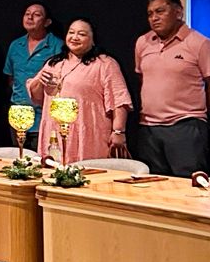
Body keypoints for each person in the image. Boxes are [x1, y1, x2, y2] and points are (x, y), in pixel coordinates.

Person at [133, 0, 210, 176]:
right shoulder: (143, 42)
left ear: (178, 12)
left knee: (187, 183)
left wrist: (197, 112)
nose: (154, 18)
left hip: (185, 126)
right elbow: (142, 78)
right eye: (150, 14)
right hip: (148, 127)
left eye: (160, 11)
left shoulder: (200, 43)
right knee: (152, 184)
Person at [27, 19, 132, 163]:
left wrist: (118, 131)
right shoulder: (54, 63)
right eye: (71, 32)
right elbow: (37, 98)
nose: (74, 37)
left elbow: (119, 100)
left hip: (88, 133)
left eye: (81, 34)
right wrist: (40, 82)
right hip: (55, 133)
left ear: (93, 40)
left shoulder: (105, 64)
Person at [2, 3, 62, 147]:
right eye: (27, 13)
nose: (30, 17)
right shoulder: (16, 45)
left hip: (43, 115)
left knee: (42, 157)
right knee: (20, 157)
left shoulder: (57, 45)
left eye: (37, 15)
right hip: (19, 114)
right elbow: (11, 78)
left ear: (47, 22)